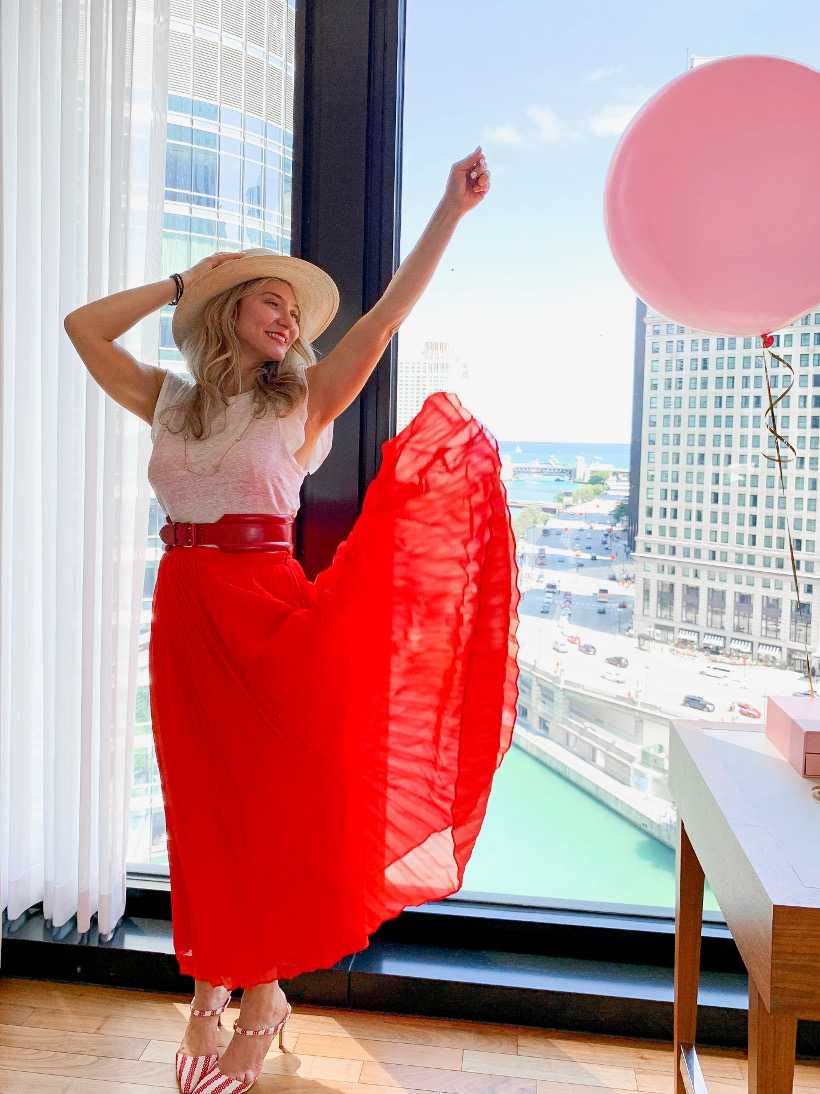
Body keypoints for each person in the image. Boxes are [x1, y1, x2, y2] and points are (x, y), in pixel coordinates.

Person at [63, 147, 519, 1094]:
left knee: (268, 810)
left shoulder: (304, 401)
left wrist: (449, 212)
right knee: (203, 808)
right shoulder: (172, 402)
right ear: (229, 313)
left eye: (292, 313)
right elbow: (81, 327)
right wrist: (188, 278)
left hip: (272, 614)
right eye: (268, 302)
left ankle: (259, 993)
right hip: (187, 612)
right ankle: (215, 981)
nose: (285, 321)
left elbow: (389, 314)